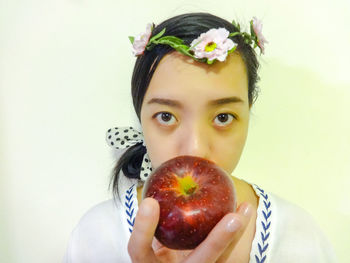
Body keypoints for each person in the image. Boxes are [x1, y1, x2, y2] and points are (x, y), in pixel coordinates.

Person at [63, 12, 338, 263]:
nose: (194, 148)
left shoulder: (300, 240)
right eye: (166, 116)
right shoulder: (95, 239)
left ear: (247, 114)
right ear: (141, 119)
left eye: (223, 117)